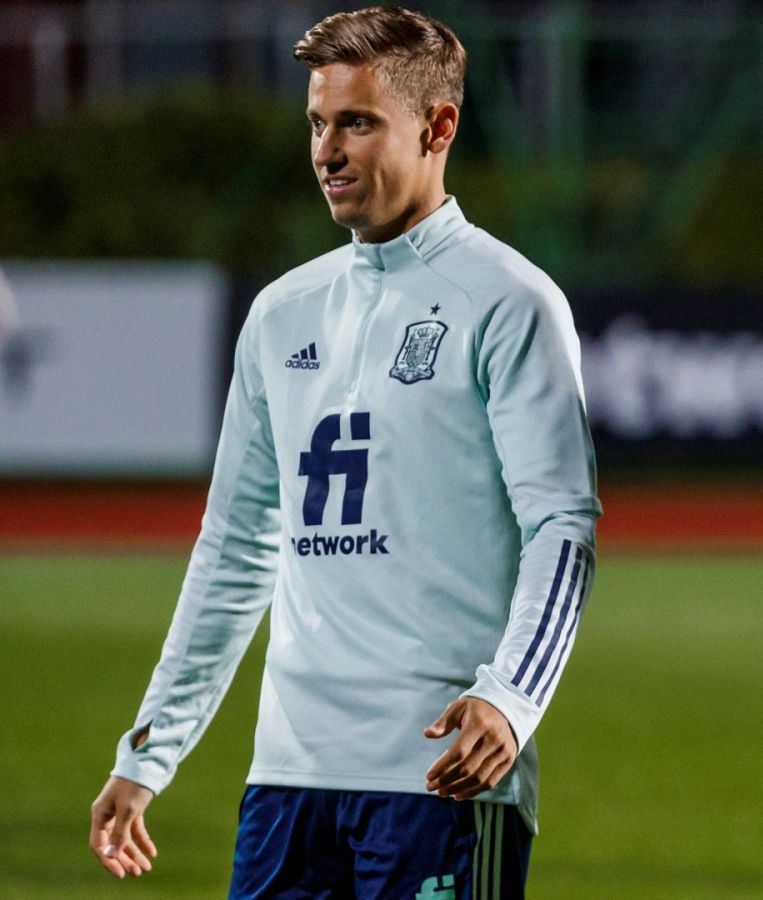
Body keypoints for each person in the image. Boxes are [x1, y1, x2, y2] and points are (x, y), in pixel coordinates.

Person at [88, 8, 599, 897]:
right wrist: (151, 748)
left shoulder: (510, 302)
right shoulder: (282, 313)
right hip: (288, 781)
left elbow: (564, 526)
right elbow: (236, 546)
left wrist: (511, 699)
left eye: (358, 122)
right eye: (319, 123)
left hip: (437, 774)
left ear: (438, 127)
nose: (328, 150)